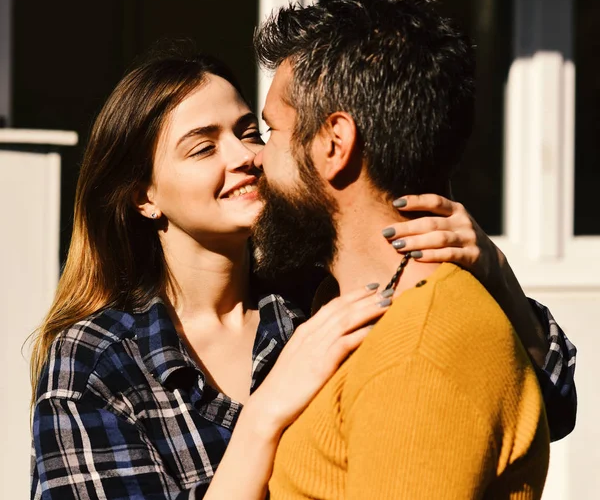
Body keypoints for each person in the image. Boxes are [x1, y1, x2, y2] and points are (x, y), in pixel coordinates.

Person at [29, 42, 574, 500]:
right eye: (202, 147)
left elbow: (546, 402)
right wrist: (263, 415)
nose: (245, 156)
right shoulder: (97, 363)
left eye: (248, 131)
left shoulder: (312, 297)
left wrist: (493, 268)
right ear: (144, 197)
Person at [252, 0, 567, 499]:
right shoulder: (337, 304)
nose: (257, 160)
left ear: (335, 144)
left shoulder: (420, 356)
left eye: (272, 131)